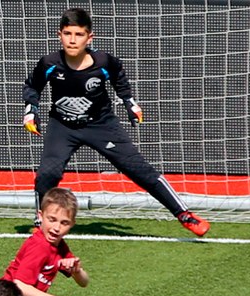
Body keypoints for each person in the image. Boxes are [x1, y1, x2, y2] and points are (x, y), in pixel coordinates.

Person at [23, 8, 210, 238]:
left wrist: (130, 103)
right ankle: (40, 220)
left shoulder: (104, 62)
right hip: (62, 127)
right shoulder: (49, 63)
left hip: (101, 126)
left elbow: (119, 78)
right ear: (59, 35)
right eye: (67, 33)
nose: (72, 40)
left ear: (89, 37)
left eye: (79, 34)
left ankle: (184, 214)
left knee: (139, 169)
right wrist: (31, 111)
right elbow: (32, 86)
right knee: (47, 175)